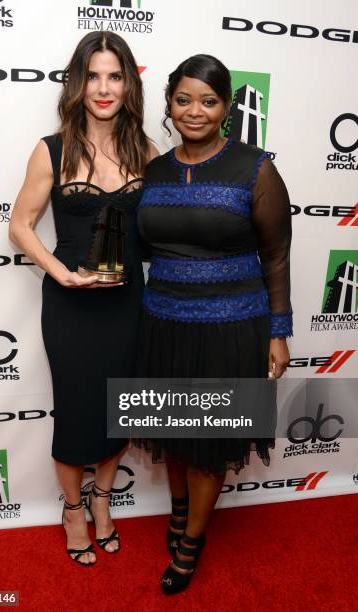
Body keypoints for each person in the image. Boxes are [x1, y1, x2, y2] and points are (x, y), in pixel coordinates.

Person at [137, 54, 292, 594]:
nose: (194, 111)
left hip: (232, 326)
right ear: (170, 105)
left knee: (209, 440)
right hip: (164, 324)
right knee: (175, 435)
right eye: (183, 100)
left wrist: (279, 330)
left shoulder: (255, 167)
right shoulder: (153, 172)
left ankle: (192, 540)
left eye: (208, 101)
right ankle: (179, 511)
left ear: (226, 107)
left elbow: (275, 256)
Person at [9, 31, 157, 567]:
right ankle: (73, 509)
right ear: (78, 81)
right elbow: (20, 227)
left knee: (118, 411)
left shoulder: (147, 151)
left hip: (126, 303)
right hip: (70, 306)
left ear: (128, 85)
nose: (102, 87)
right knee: (75, 413)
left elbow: (163, 228)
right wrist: (61, 272)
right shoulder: (51, 150)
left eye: (114, 76)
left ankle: (101, 500)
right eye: (92, 75)